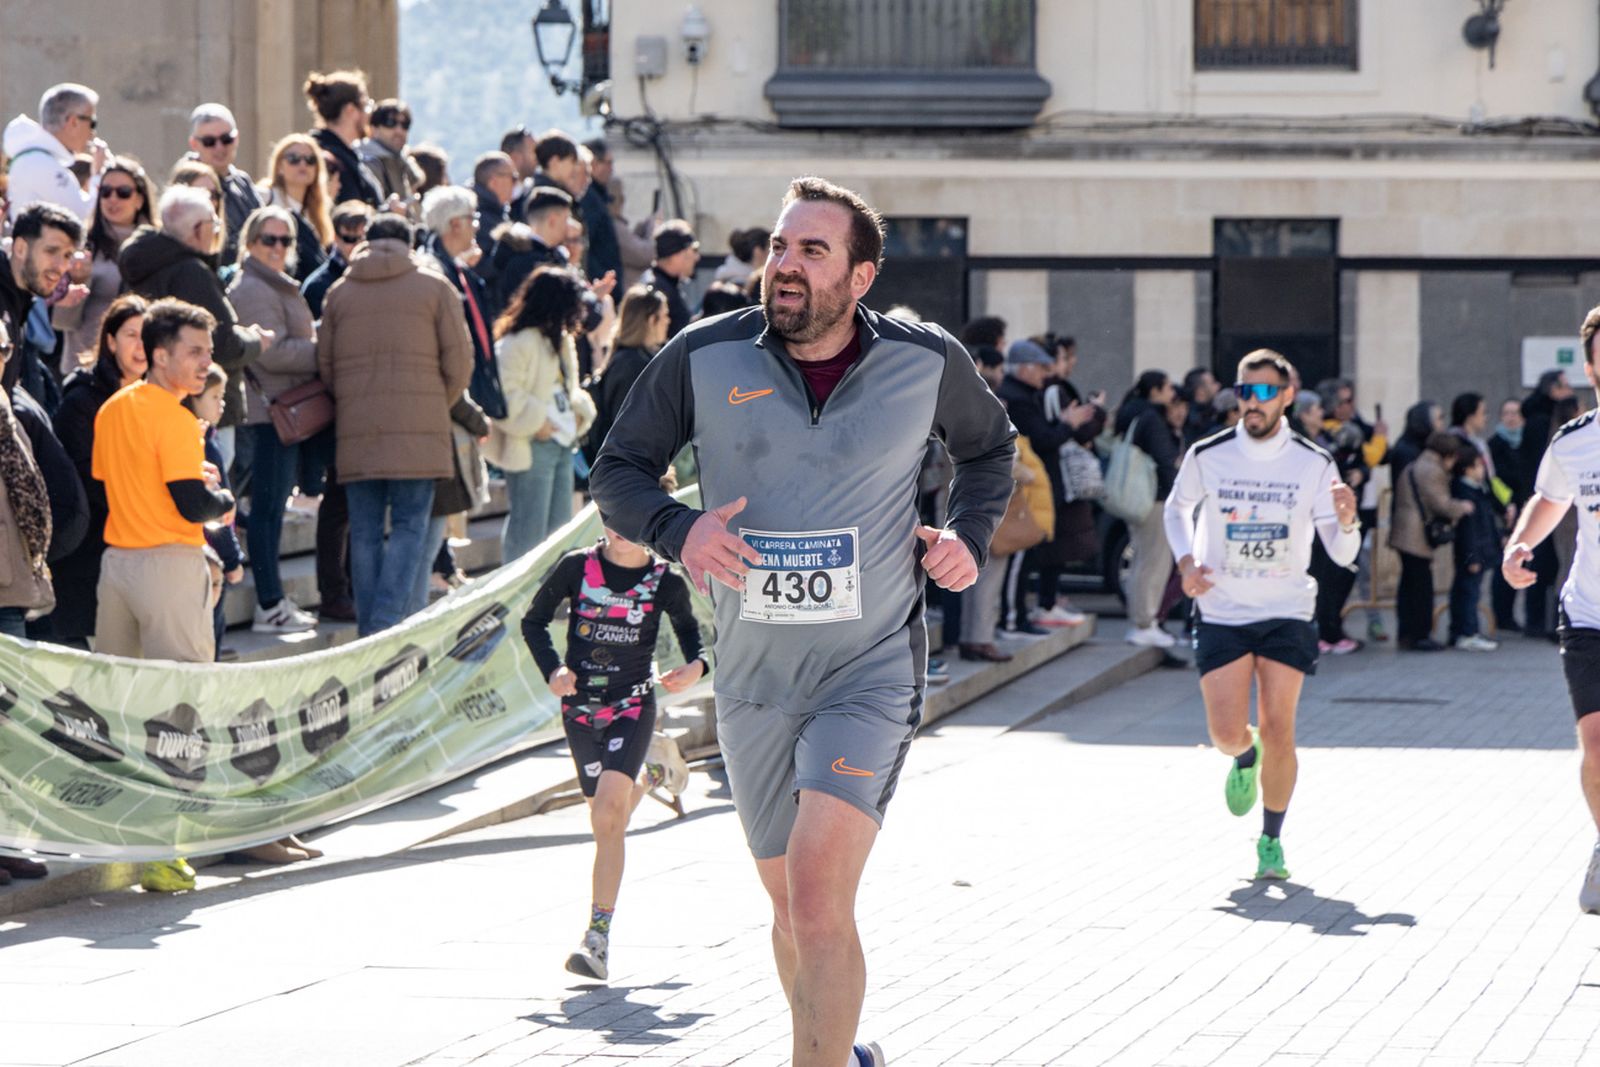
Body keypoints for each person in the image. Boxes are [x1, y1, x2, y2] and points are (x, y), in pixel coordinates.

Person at [590, 176, 1015, 1067]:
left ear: (861, 277)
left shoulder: (924, 360)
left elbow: (989, 447)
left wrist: (968, 534)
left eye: (812, 250)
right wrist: (678, 527)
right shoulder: (704, 354)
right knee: (788, 908)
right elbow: (617, 469)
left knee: (819, 899)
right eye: (780, 246)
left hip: (868, 668)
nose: (784, 264)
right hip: (752, 678)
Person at [1165, 349, 1359, 881]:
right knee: (1227, 732)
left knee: (1280, 730)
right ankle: (1242, 755)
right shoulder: (1209, 454)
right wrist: (1186, 561)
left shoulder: (1313, 462)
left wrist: (1348, 521)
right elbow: (1177, 509)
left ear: (1287, 396)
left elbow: (1342, 551)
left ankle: (1271, 840)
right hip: (1222, 609)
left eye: (1265, 392)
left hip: (1286, 610)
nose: (1253, 402)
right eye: (1245, 392)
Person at [521, 517, 708, 980]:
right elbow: (533, 622)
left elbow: (692, 634)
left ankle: (597, 939)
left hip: (633, 706)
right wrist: (553, 670)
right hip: (580, 709)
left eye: (628, 517)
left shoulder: (664, 580)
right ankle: (654, 774)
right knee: (608, 819)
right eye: (609, 515)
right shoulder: (576, 567)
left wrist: (697, 666)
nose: (617, 527)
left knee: (607, 816)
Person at [93, 298, 234, 892]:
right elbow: (191, 503)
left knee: (119, 709)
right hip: (169, 567)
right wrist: (223, 499)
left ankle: (122, 835)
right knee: (179, 711)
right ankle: (162, 850)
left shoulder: (112, 408)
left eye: (208, 351)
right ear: (159, 355)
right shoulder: (176, 419)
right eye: (194, 351)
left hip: (117, 565)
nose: (205, 362)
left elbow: (113, 482)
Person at [316, 213, 471, 636]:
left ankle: (371, 629)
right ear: (411, 243)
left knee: (364, 532)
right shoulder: (436, 287)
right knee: (409, 528)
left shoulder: (339, 292)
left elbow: (326, 367)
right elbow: (460, 365)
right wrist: (434, 404)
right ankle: (386, 622)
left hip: (357, 431)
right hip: (421, 434)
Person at [1501, 304, 1600, 910]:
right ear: (1591, 369)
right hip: (1590, 614)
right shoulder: (1575, 443)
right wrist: (1519, 545)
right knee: (1596, 746)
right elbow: (1548, 499)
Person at [227, 205, 320, 634]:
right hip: (267, 414)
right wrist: (323, 347)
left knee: (270, 511)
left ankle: (274, 600)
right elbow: (274, 352)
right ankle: (269, 603)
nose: (278, 247)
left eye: (286, 240)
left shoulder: (273, 283)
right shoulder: (253, 288)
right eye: (269, 239)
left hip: (280, 411)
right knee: (266, 513)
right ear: (250, 243)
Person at [50, 293, 148, 649]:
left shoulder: (160, 398)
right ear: (110, 340)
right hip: (92, 548)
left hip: (143, 546)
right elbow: (87, 476)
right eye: (131, 334)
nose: (140, 346)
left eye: (147, 336)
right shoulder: (82, 400)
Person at [485, 267, 594, 564]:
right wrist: (537, 424)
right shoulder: (517, 342)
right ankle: (518, 589)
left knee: (559, 529)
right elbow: (505, 396)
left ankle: (551, 587)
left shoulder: (560, 339)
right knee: (528, 529)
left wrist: (579, 413)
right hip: (532, 442)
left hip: (562, 441)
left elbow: (568, 388)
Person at [996, 337, 1091, 634]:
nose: (1045, 374)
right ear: (1024, 368)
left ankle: (1016, 616)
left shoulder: (1024, 394)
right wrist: (1068, 424)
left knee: (1025, 558)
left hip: (1034, 488)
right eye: (1040, 368)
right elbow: (1044, 439)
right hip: (1023, 490)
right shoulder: (1017, 398)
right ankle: (1013, 619)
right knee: (1018, 559)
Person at [51, 156, 155, 375]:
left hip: (143, 366)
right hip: (88, 368)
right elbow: (62, 323)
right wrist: (79, 282)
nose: (112, 199)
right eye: (105, 192)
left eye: (123, 192)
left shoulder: (157, 247)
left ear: (140, 199)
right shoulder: (82, 245)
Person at [179, 364, 245, 656]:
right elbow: (217, 513)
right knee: (208, 634)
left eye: (223, 397)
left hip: (204, 555)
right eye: (214, 397)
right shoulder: (204, 446)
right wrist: (232, 559)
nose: (222, 404)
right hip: (209, 557)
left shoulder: (207, 439)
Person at [1116, 369, 1182, 648]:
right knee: (1154, 561)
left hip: (1140, 497)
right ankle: (1144, 622)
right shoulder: (1151, 417)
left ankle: (1142, 620)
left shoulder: (1132, 412)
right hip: (1154, 497)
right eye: (1168, 388)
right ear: (1155, 390)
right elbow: (1164, 459)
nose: (1171, 394)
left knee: (1143, 559)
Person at [1389, 431, 1471, 651]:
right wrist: (1462, 507)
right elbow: (1440, 503)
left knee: (1409, 587)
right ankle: (1419, 635)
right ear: (1448, 454)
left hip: (1406, 533)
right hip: (1415, 536)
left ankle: (1408, 634)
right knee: (1420, 589)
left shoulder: (1418, 464)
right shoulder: (1432, 470)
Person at [1, 203, 84, 400]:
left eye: (67, 256)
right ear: (20, 248)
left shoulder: (20, 300)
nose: (61, 266)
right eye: (51, 251)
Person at [3, 83, 107, 224]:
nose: (92, 132)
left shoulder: (37, 158)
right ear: (73, 122)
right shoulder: (40, 162)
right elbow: (84, 217)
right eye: (92, 123)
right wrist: (98, 174)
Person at [187, 103, 264, 263]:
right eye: (209, 141)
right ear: (194, 144)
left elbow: (263, 226)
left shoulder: (242, 182)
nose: (219, 147)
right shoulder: (187, 185)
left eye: (226, 139)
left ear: (236, 138)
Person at [257, 134, 334, 284]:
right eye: (294, 159)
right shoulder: (264, 197)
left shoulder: (317, 212)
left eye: (310, 160)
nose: (303, 164)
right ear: (279, 166)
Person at [304, 69, 383, 208]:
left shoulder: (345, 154)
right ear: (350, 110)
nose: (370, 115)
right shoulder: (325, 158)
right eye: (366, 106)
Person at [1449, 447, 1500, 651]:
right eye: (1478, 465)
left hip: (1480, 551)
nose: (1482, 469)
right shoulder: (1464, 492)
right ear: (1467, 469)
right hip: (1472, 554)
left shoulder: (1479, 489)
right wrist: (1473, 558)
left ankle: (1467, 631)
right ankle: (1466, 632)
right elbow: (1468, 531)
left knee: (1472, 592)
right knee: (1467, 593)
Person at [489, 187, 571, 311]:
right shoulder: (527, 263)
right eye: (566, 219)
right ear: (552, 220)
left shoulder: (551, 255)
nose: (568, 227)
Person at [1489, 396, 1529, 632]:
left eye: (1516, 413)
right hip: (1503, 512)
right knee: (1502, 563)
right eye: (1507, 413)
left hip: (1524, 510)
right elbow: (1493, 480)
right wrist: (1505, 507)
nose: (1511, 418)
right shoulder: (1494, 445)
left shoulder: (1527, 442)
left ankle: (1511, 615)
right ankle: (1501, 616)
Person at [300, 200, 372, 319]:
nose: (359, 245)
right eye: (350, 239)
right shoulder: (316, 287)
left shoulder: (382, 276)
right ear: (335, 238)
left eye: (365, 239)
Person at [641, 220, 699, 340]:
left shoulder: (666, 285)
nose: (696, 257)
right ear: (677, 255)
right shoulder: (656, 290)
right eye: (693, 250)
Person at [359, 99, 422, 208]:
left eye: (405, 125)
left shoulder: (403, 161)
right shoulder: (366, 162)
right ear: (373, 129)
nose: (399, 130)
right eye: (390, 123)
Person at [578, 137, 623, 282]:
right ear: (593, 163)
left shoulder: (597, 196)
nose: (611, 169)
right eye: (608, 163)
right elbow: (586, 244)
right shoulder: (588, 198)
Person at [470, 151, 517, 286]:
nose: (516, 183)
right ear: (494, 182)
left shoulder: (496, 212)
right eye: (513, 178)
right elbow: (481, 269)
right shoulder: (478, 219)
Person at [1182, 367, 1220, 444]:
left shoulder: (1213, 412)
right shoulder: (1189, 419)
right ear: (1200, 391)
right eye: (1213, 383)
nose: (1218, 385)